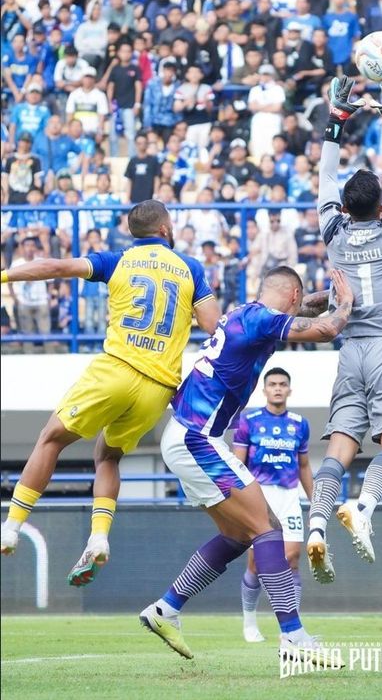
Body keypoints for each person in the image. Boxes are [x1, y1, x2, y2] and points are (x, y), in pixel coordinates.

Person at [0, 201, 221, 587]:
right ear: (166, 230)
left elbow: (54, 268)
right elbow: (213, 325)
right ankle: (99, 536)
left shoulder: (116, 260)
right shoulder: (191, 269)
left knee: (51, 438)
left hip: (116, 369)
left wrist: (5, 276)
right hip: (158, 386)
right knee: (108, 454)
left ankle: (11, 528)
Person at [139, 267, 354, 661]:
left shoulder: (245, 314)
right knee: (266, 528)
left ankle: (165, 609)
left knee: (238, 537)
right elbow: (325, 330)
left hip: (187, 436)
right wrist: (348, 305)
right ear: (289, 297)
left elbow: (304, 308)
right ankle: (292, 636)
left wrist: (329, 293)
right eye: (297, 300)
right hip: (197, 437)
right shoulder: (260, 320)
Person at [304, 76, 382, 583]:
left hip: (349, 348)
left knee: (339, 446)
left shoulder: (332, 230)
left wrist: (336, 119)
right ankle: (365, 508)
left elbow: (324, 177)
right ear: (381, 205)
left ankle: (316, 524)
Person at [234, 367, 313, 643]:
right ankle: (249, 621)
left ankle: (291, 630)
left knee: (292, 558)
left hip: (289, 495)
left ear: (289, 390)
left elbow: (303, 465)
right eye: (272, 384)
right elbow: (237, 464)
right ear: (264, 389)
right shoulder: (249, 421)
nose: (277, 388)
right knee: (257, 563)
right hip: (259, 495)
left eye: (282, 384)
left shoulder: (300, 424)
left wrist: (316, 500)